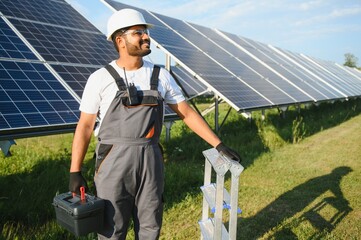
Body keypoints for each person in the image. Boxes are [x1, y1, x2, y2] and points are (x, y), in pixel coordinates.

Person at [68, 8, 240, 240]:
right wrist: (75, 171)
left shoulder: (161, 76)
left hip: (151, 158)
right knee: (112, 229)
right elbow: (85, 126)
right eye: (138, 33)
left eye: (145, 32)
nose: (146, 37)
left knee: (150, 227)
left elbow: (187, 114)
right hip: (112, 161)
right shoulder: (100, 78)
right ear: (120, 40)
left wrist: (218, 144)